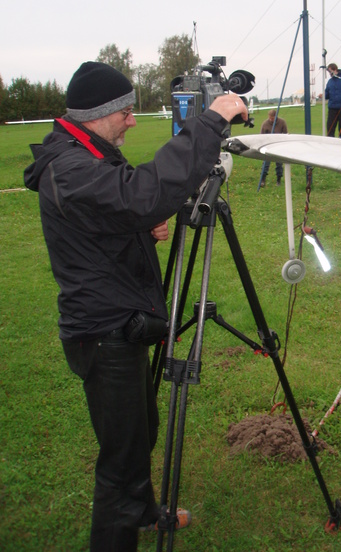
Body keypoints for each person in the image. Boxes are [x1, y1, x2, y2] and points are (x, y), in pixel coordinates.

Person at [23, 61, 247, 552]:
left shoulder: (85, 151)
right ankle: (119, 532)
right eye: (125, 112)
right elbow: (142, 195)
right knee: (121, 463)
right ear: (100, 114)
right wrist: (209, 122)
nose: (131, 121)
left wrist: (136, 226)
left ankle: (144, 512)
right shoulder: (71, 165)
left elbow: (115, 212)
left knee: (140, 432)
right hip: (104, 332)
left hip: (119, 322)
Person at [258, 108, 288, 187]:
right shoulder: (265, 124)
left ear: (276, 116)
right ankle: (263, 180)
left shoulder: (282, 122)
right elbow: (261, 136)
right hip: (268, 146)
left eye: (273, 118)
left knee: (279, 164)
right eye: (270, 118)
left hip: (278, 146)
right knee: (266, 163)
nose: (271, 120)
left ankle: (279, 180)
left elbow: (285, 134)